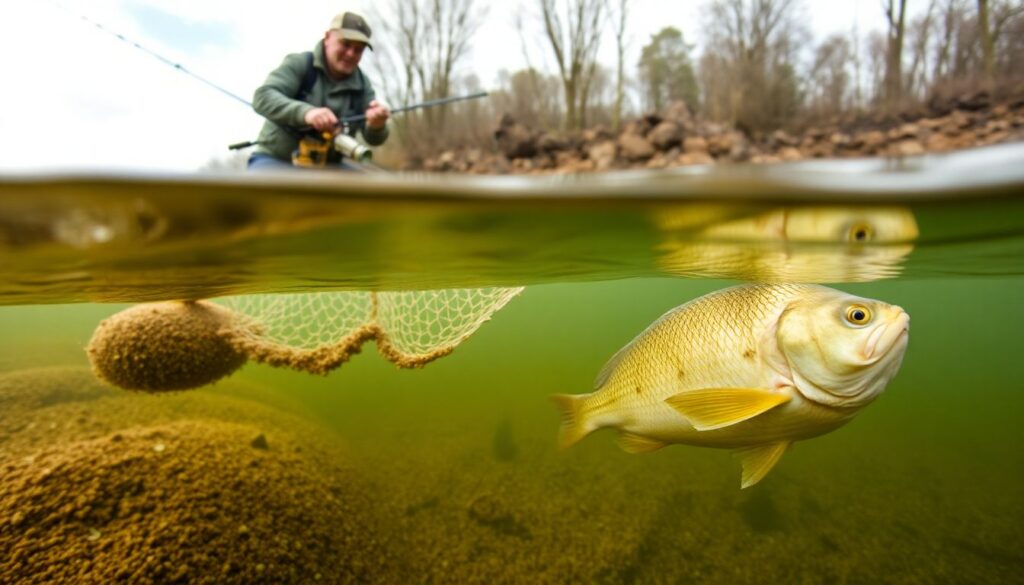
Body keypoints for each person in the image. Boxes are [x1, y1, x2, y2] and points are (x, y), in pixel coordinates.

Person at [248, 10, 390, 169]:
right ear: (327, 37)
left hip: (330, 166)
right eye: (345, 44)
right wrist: (306, 113)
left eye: (359, 49)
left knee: (375, 185)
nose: (351, 54)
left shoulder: (363, 84)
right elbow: (262, 97)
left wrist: (377, 125)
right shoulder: (299, 63)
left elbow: (375, 140)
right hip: (276, 159)